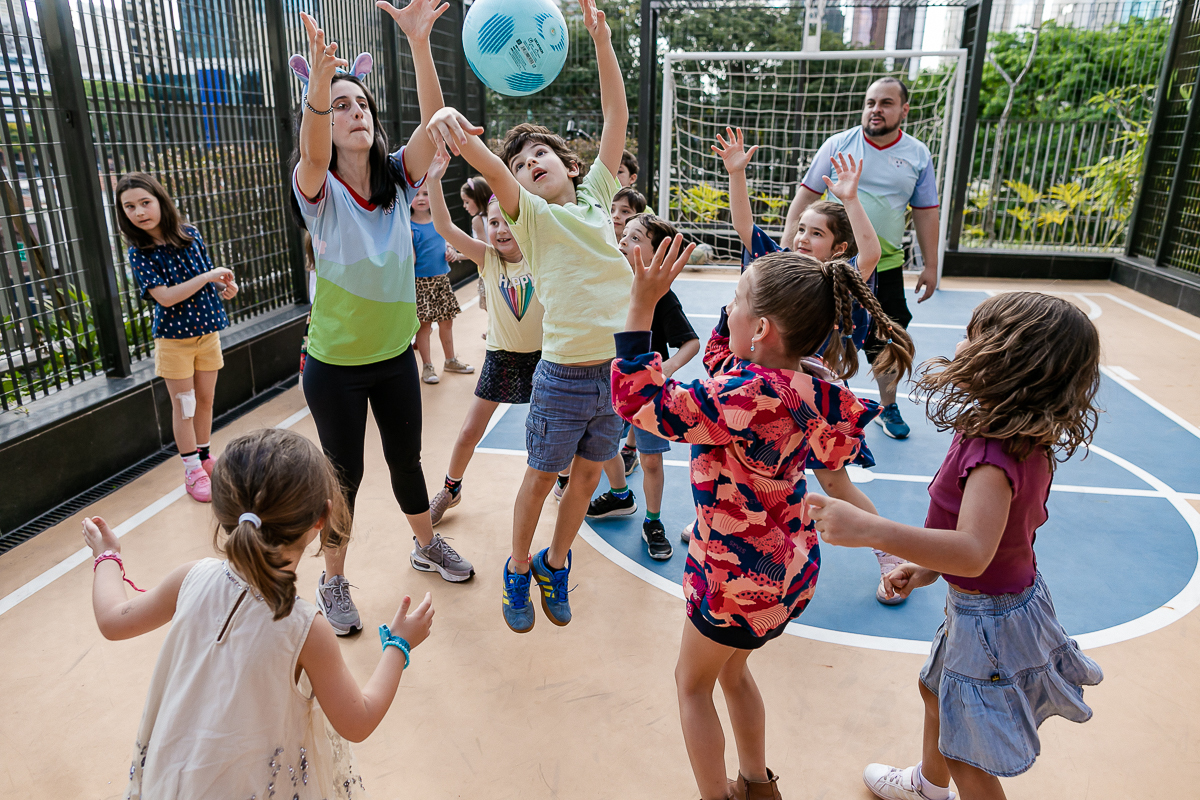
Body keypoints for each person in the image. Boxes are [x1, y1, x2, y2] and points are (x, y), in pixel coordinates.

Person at [612, 235, 913, 800]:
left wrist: (640, 305)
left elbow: (640, 403)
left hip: (733, 580)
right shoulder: (807, 381)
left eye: (736, 299)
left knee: (691, 686)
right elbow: (732, 362)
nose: (728, 307)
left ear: (764, 329)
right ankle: (756, 783)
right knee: (733, 671)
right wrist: (740, 314)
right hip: (788, 574)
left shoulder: (741, 396)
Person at [809, 292, 1104, 800]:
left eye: (975, 334)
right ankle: (926, 785)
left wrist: (870, 529)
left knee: (967, 754)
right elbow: (999, 540)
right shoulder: (1014, 435)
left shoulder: (993, 454)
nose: (961, 342)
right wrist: (923, 569)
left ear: (1007, 359)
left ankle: (937, 783)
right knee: (935, 692)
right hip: (989, 605)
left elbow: (972, 551)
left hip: (988, 618)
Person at [82, 427, 435, 799]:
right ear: (322, 517)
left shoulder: (190, 577)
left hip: (174, 783)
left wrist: (106, 554)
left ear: (222, 511)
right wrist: (399, 645)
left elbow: (112, 619)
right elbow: (358, 721)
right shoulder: (305, 628)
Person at [424, 0, 631, 634]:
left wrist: (600, 40)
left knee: (589, 477)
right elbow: (482, 163)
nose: (527, 164)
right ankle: (518, 567)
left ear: (571, 166)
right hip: (564, 374)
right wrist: (451, 124)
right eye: (518, 165)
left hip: (618, 373)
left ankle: (554, 561)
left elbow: (615, 114)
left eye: (539, 155)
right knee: (540, 480)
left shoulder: (596, 196)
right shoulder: (532, 220)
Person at [289, 3, 474, 637]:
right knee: (344, 478)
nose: (354, 111)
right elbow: (315, 149)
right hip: (334, 365)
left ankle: (425, 544)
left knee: (406, 461)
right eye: (341, 106)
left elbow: (434, 125)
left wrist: (420, 44)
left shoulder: (397, 178)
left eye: (360, 103)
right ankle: (333, 578)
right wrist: (322, 79)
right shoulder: (317, 187)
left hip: (394, 355)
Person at [716, 127, 908, 607]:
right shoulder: (779, 268)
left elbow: (872, 254)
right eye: (800, 227)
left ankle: (890, 551)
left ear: (837, 248)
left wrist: (850, 198)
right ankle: (718, 522)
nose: (802, 237)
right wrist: (737, 175)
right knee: (740, 461)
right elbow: (744, 227)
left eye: (816, 232)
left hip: (804, 402)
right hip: (760, 392)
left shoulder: (831, 285)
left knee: (833, 481)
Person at [785, 77, 940, 440]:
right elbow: (806, 195)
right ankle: (805, 401)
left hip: (884, 267)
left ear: (903, 109)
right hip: (834, 268)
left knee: (887, 340)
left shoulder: (917, 154)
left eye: (886, 103)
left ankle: (888, 404)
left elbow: (926, 211)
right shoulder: (839, 144)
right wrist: (790, 242)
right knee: (817, 335)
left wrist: (931, 265)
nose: (875, 109)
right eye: (870, 102)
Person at [423, 150, 545, 525]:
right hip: (502, 357)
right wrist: (433, 179)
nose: (501, 230)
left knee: (552, 434)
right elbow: (444, 226)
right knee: (468, 432)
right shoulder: (488, 258)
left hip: (547, 357)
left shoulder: (542, 254)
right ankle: (451, 488)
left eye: (508, 221)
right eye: (494, 223)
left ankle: (565, 478)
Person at [117, 172, 238, 504]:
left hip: (207, 333)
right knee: (185, 406)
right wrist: (208, 277)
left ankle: (203, 457)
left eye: (145, 202)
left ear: (160, 201)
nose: (139, 212)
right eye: (130, 207)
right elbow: (166, 297)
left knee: (206, 400)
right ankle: (190, 469)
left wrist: (223, 285)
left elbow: (206, 278)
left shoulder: (190, 234)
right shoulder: (140, 253)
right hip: (174, 341)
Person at [587, 214, 699, 563]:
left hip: (647, 393)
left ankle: (653, 521)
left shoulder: (661, 295)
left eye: (636, 237)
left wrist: (665, 367)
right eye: (625, 234)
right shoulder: (603, 281)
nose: (623, 239)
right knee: (599, 447)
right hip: (605, 383)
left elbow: (691, 343)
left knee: (651, 461)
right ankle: (620, 494)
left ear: (657, 254)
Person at [410, 182, 474, 383]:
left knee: (447, 322)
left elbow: (448, 244)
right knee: (424, 326)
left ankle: (450, 360)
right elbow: (410, 258)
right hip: (420, 283)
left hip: (442, 280)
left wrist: (451, 252)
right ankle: (427, 367)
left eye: (426, 194)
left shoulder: (440, 221)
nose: (421, 198)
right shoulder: (407, 226)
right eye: (416, 194)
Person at [461, 174, 493, 320]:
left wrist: (458, 255)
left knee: (490, 304)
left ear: (478, 198)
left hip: (489, 271)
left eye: (467, 202)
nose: (464, 206)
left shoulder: (478, 220)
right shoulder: (496, 214)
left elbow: (482, 251)